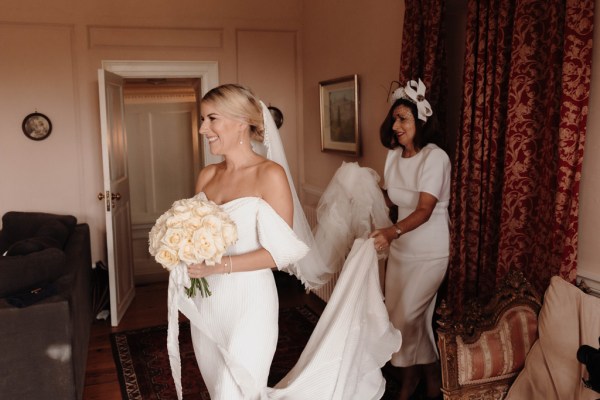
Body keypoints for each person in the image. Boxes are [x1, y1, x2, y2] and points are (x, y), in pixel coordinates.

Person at [171, 83, 401, 400]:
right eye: (202, 120)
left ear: (240, 122)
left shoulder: (270, 175)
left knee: (231, 393)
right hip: (208, 305)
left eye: (211, 119)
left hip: (249, 303)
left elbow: (281, 253)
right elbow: (195, 234)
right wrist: (180, 249)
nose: (202, 129)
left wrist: (222, 265)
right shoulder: (206, 176)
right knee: (218, 391)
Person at [369, 79, 451, 400]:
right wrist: (365, 190)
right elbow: (394, 202)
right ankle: (431, 382)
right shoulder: (393, 156)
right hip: (401, 252)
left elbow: (425, 209)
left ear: (421, 121)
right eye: (395, 119)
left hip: (430, 254)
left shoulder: (435, 158)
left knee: (404, 320)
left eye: (403, 118)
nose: (396, 125)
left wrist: (391, 232)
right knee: (413, 321)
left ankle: (410, 383)